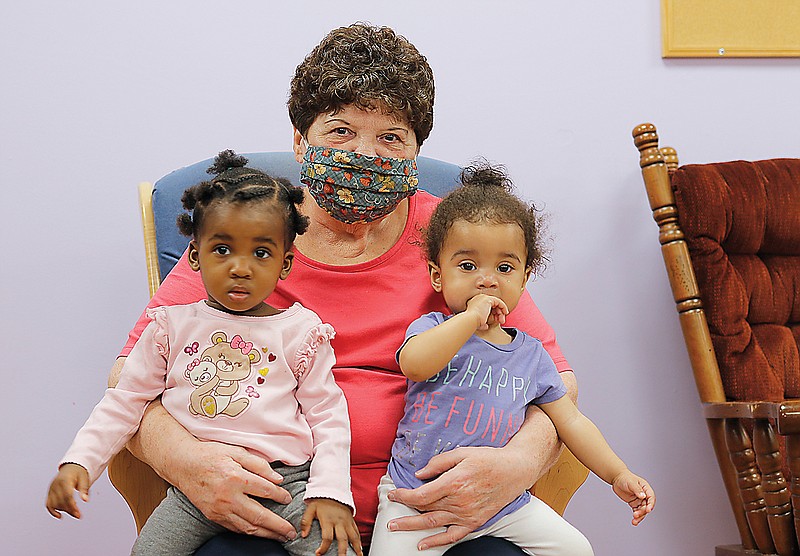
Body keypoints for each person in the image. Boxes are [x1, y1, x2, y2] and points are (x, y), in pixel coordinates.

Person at [113, 23, 579, 556]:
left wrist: (518, 464)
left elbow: (555, 379)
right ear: (299, 141)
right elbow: (128, 375)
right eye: (340, 131)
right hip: (272, 510)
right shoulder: (248, 234)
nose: (364, 155)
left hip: (430, 514)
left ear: (416, 153)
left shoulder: (457, 239)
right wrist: (185, 461)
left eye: (390, 138)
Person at [48, 151, 362, 556]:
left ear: (285, 264)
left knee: (336, 550)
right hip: (194, 492)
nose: (241, 267)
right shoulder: (169, 329)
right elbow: (124, 402)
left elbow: (329, 417)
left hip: (288, 486)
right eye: (222, 249)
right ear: (195, 255)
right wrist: (80, 462)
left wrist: (331, 492)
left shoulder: (300, 333)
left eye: (261, 253)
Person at [369, 163, 655, 556]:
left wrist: (617, 474)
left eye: (504, 267)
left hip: (499, 504)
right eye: (468, 266)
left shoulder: (531, 355)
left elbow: (571, 421)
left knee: (577, 549)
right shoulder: (432, 327)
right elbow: (414, 365)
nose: (487, 279)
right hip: (413, 497)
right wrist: (470, 319)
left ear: (524, 279)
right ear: (438, 276)